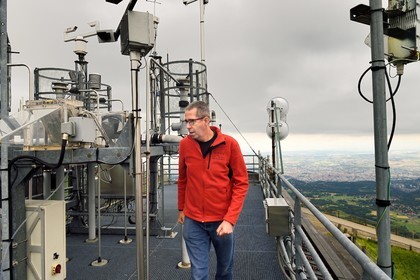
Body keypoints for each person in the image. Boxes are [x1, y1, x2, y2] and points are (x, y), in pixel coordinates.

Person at [177, 100, 249, 280]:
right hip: (193, 221)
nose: (188, 126)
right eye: (186, 121)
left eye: (192, 121)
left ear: (206, 120)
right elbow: (183, 178)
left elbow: (241, 183)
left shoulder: (230, 145)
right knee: (198, 274)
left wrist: (230, 220)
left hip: (221, 220)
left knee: (224, 271)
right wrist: (181, 208)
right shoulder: (185, 145)